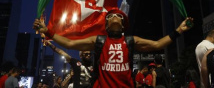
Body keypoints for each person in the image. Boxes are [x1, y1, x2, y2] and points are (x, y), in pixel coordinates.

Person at [33, 8, 193, 88]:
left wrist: (178, 31)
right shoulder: (99, 41)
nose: (114, 17)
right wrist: (48, 31)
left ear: (123, 24)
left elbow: (157, 44)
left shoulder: (131, 41)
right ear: (106, 25)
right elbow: (69, 43)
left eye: (118, 16)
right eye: (110, 16)